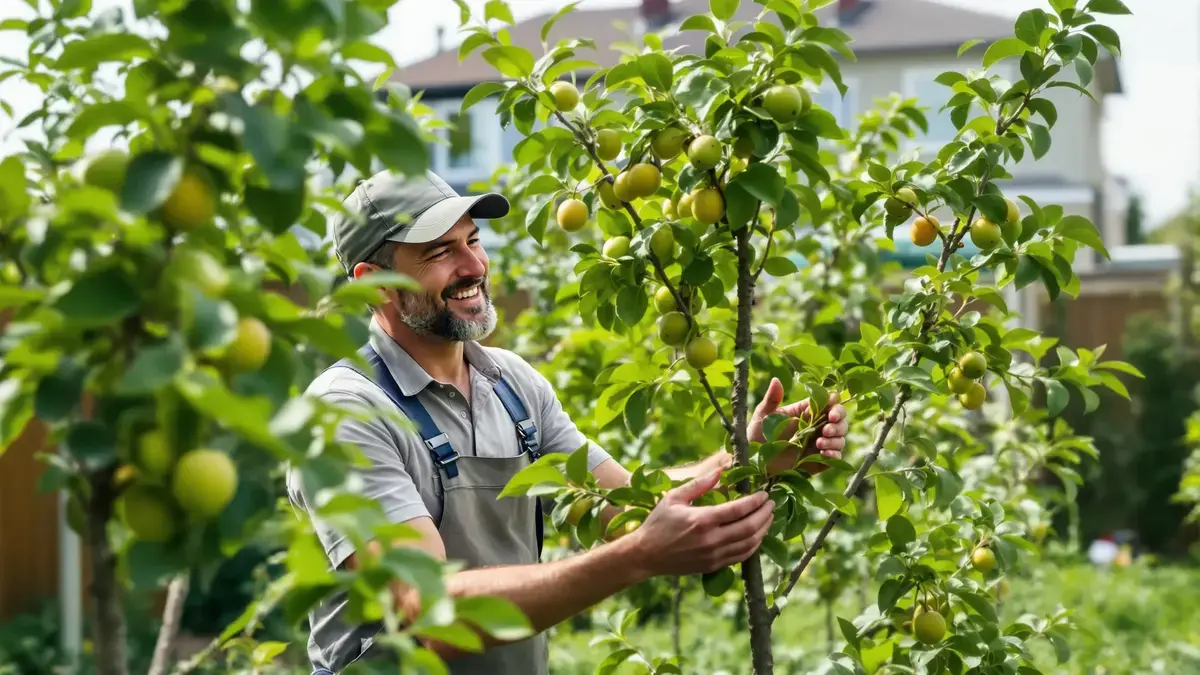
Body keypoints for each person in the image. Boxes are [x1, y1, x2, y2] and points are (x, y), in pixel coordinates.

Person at [286, 169, 850, 675]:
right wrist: (634, 559)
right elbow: (426, 610)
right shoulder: (345, 414)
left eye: (474, 241)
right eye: (440, 253)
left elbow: (627, 506)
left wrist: (748, 461)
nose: (474, 266)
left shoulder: (510, 383)